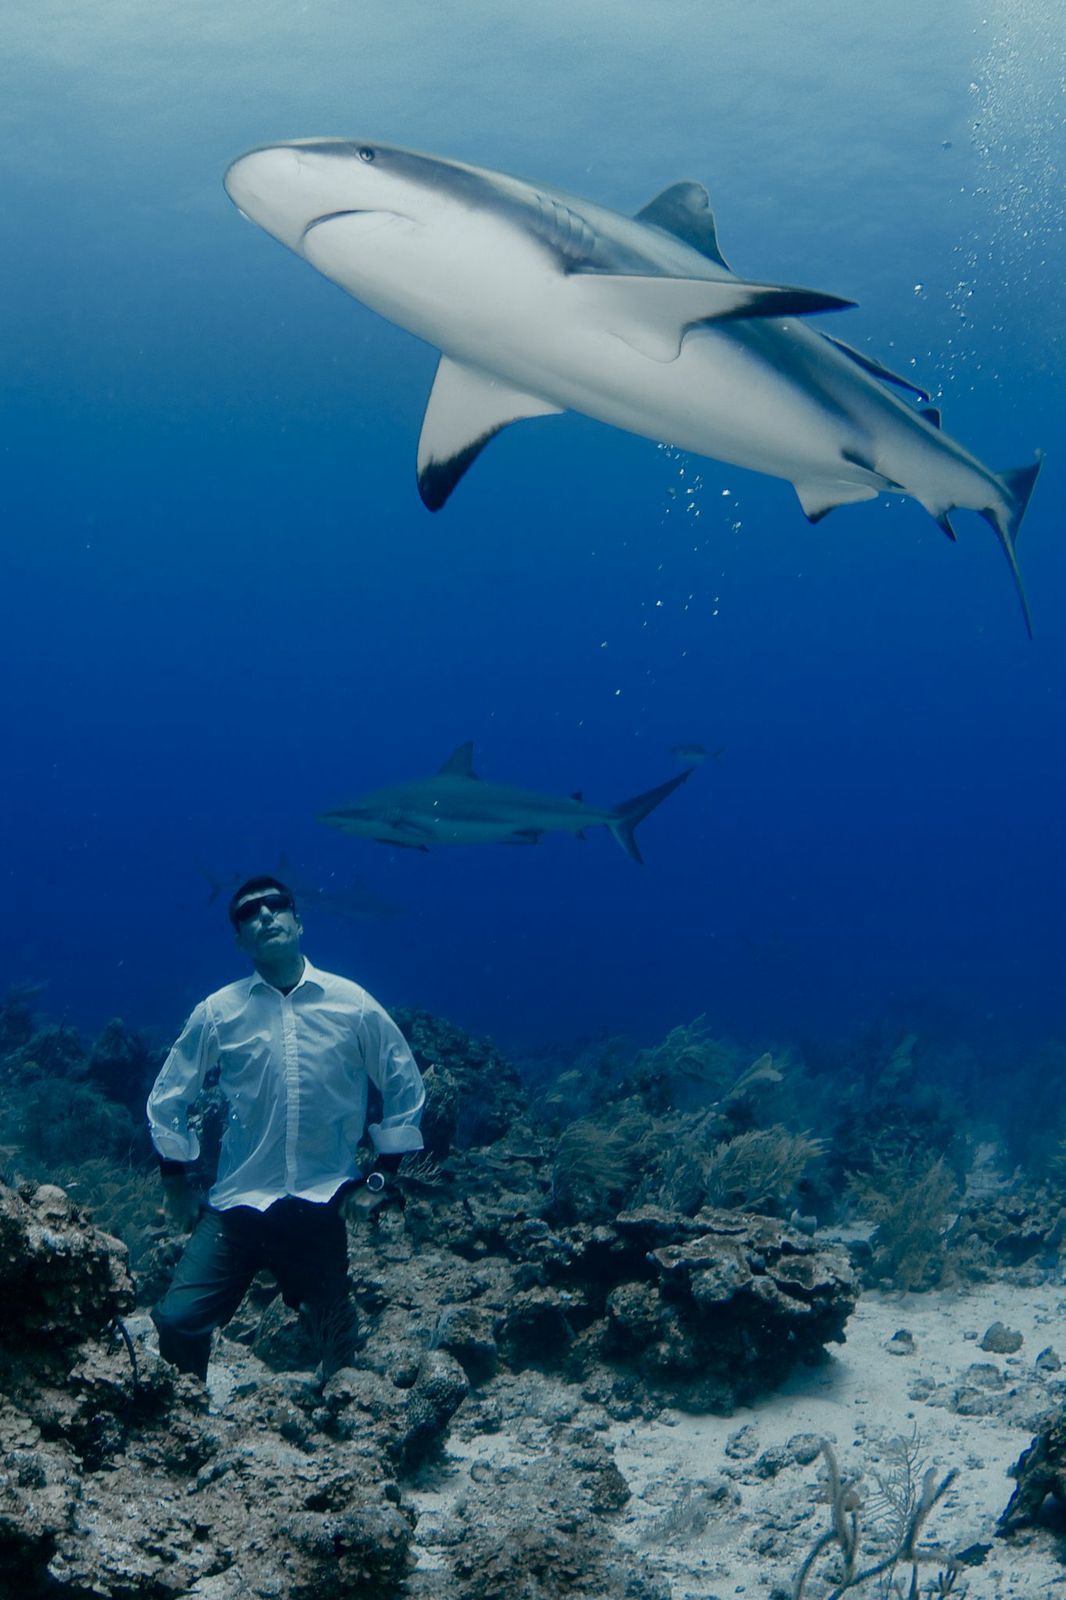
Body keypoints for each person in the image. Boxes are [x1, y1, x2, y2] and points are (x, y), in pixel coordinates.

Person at [146, 874, 425, 1381]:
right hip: (238, 1204)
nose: (264, 916)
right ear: (239, 939)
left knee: (334, 1333)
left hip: (320, 1203)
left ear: (298, 921)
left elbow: (404, 1087)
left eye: (276, 906)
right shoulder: (217, 1012)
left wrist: (381, 1177)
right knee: (177, 1319)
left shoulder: (354, 1005)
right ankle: (185, 1426)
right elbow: (169, 1095)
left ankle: (345, 1424)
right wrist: (174, 1182)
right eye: (249, 913)